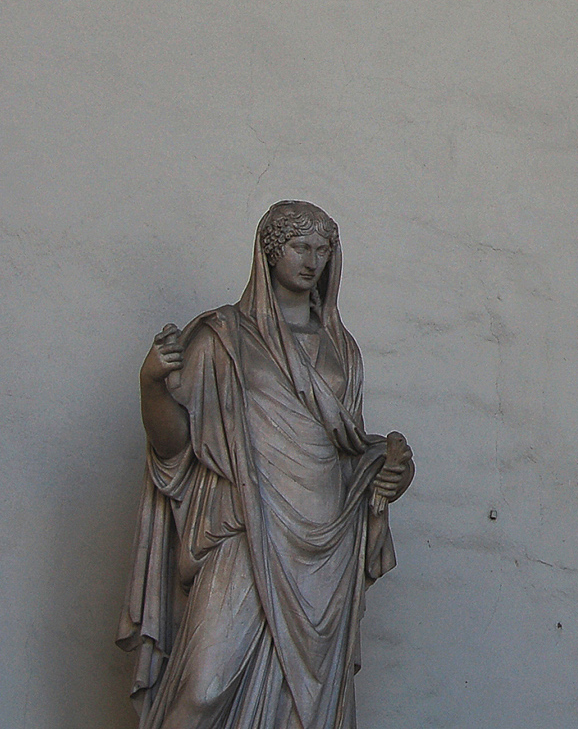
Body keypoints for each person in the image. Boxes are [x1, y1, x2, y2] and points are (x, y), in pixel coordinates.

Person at [118, 201, 414, 729]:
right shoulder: (222, 339)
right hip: (245, 529)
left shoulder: (343, 350)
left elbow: (350, 453)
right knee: (203, 688)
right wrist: (151, 386)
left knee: (309, 711)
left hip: (326, 547)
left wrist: (389, 471)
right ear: (270, 252)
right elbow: (175, 449)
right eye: (301, 246)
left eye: (323, 250)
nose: (313, 260)